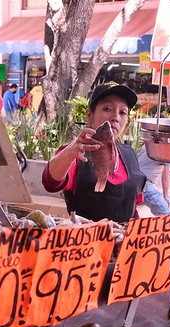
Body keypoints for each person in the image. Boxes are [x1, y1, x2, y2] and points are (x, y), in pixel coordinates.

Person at [42, 82, 146, 223]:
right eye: (107, 109)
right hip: (85, 236)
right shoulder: (75, 152)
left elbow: (134, 206)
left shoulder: (130, 154)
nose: (116, 117)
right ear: (89, 115)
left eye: (122, 112)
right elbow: (50, 183)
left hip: (123, 235)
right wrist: (69, 153)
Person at [137, 147, 170, 216]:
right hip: (144, 185)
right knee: (166, 213)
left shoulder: (148, 145)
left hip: (142, 183)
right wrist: (166, 197)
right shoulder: (168, 150)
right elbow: (167, 172)